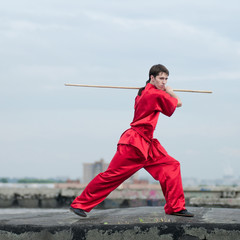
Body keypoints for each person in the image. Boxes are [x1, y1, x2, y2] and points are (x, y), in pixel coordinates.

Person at [70, 64, 194, 217]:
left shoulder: (144, 92)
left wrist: (163, 91)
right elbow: (178, 103)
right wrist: (171, 92)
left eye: (166, 79)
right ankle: (79, 204)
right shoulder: (155, 94)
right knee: (112, 175)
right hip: (134, 144)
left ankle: (176, 207)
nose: (164, 82)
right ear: (152, 78)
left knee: (170, 166)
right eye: (161, 78)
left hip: (147, 144)